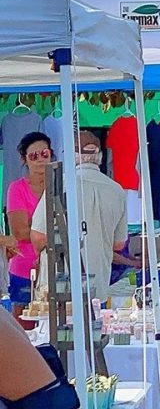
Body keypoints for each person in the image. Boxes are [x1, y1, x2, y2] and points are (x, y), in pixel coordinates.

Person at [31, 130, 138, 300]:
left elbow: (38, 236)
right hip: (98, 285)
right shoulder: (116, 190)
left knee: (56, 324)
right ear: (100, 156)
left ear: (72, 156)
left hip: (60, 283)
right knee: (95, 323)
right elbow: (118, 244)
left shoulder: (61, 184)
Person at [3, 132, 52, 315]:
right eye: (33, 156)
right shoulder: (17, 189)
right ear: (25, 160)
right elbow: (20, 233)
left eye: (44, 154)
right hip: (24, 270)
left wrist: (33, 223)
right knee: (24, 329)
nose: (40, 159)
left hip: (57, 271)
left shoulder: (61, 185)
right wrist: (51, 227)